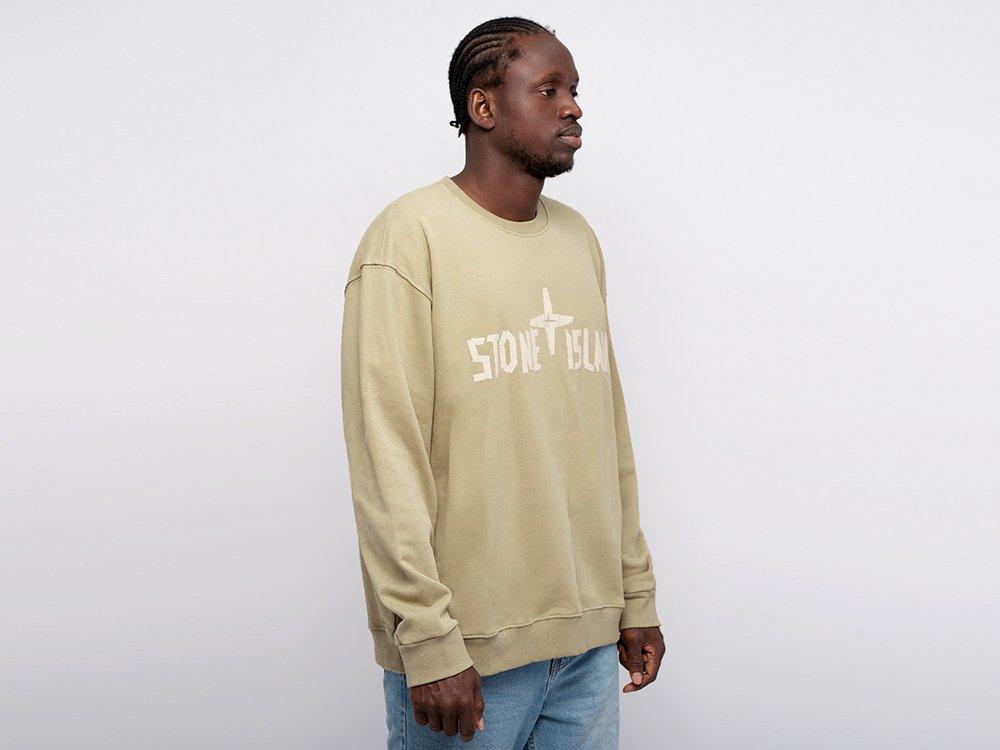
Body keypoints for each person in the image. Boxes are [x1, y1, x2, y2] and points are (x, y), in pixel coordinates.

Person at [341, 16, 666, 748]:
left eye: (574, 89)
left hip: (588, 646)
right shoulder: (409, 238)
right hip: (468, 655)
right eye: (548, 89)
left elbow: (606, 434)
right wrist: (428, 640)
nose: (573, 106)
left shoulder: (578, 239)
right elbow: (386, 457)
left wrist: (633, 595)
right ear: (483, 107)